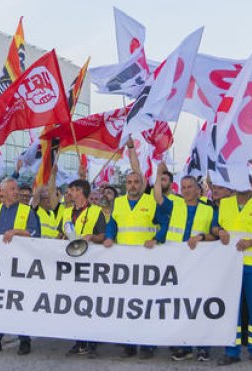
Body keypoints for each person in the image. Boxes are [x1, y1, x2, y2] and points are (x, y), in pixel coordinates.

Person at [102, 141, 166, 359]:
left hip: (146, 260)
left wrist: (156, 238)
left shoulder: (151, 201)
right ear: (125, 184)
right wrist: (109, 237)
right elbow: (112, 224)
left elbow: (164, 224)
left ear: (142, 184)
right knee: (125, 302)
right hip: (123, 261)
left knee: (146, 303)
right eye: (128, 182)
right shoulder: (118, 203)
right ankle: (127, 342)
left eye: (136, 181)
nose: (132, 185)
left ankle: (147, 343)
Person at [213, 178, 252, 367]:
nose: (244, 186)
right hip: (229, 266)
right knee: (231, 309)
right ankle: (232, 351)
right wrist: (219, 231)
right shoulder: (225, 204)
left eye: (249, 183)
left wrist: (251, 242)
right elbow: (213, 226)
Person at [0, 177, 40, 355]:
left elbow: (34, 233)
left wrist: (16, 232)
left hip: (20, 265)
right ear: (2, 192)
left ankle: (24, 340)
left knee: (19, 302)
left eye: (16, 189)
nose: (16, 192)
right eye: (12, 189)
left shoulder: (26, 210)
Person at [164, 173, 216, 362]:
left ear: (197, 189)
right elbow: (157, 195)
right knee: (180, 307)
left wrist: (201, 237)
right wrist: (160, 169)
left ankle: (203, 347)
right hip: (177, 265)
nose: (186, 190)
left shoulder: (208, 210)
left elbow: (214, 235)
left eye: (189, 187)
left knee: (200, 306)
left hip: (200, 265)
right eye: (183, 187)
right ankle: (183, 347)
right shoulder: (174, 205)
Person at [60, 178, 107, 359]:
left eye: (72, 190)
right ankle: (79, 342)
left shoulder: (96, 212)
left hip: (90, 264)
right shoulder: (66, 213)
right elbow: (60, 234)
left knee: (90, 302)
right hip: (70, 264)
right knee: (75, 303)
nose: (69, 193)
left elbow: (102, 235)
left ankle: (92, 342)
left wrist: (91, 237)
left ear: (80, 192)